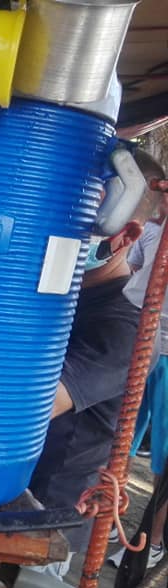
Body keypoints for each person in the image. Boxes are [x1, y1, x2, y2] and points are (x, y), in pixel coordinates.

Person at [28, 150, 167, 579]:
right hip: (3, 494)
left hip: (45, 522)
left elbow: (29, 406)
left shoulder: (123, 329)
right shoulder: (59, 299)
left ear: (124, 234)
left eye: (79, 224)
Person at [106, 176, 168, 568]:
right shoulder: (152, 233)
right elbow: (131, 273)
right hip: (136, 335)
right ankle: (110, 518)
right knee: (120, 434)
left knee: (164, 455)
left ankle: (155, 540)